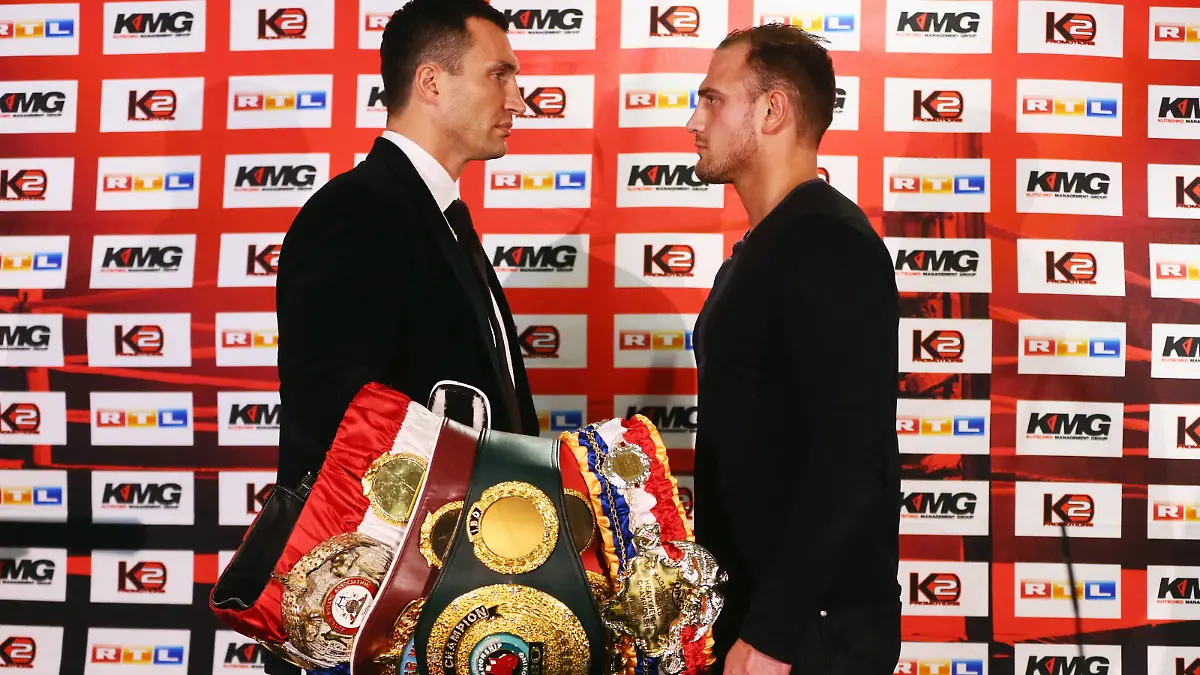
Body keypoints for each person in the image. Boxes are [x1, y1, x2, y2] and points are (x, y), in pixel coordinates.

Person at [270, 2, 537, 672]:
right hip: (373, 617)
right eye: (499, 75)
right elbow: (331, 420)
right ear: (431, 82)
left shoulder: (442, 219)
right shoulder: (357, 212)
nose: (519, 99)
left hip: (446, 605)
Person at [685, 24, 902, 675]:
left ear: (772, 110)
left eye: (712, 99)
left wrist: (776, 631)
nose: (694, 120)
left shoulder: (824, 243)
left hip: (806, 633)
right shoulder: (766, 248)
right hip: (764, 615)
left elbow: (851, 454)